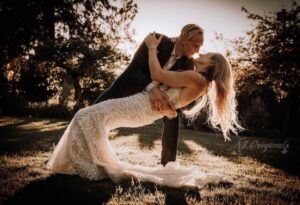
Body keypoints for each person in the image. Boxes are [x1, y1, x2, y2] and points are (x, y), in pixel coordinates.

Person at [47, 33, 243, 188]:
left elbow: (157, 74)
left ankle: (89, 166)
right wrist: (169, 108)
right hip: (144, 105)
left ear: (211, 64)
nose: (202, 52)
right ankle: (91, 161)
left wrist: (151, 48)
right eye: (199, 47)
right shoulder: (200, 81)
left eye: (206, 54)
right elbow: (171, 96)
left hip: (141, 107)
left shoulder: (196, 78)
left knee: (84, 115)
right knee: (91, 117)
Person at [93, 24, 204, 166]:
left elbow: (176, 87)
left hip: (158, 97)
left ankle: (167, 164)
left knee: (173, 116)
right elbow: (135, 69)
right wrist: (152, 88)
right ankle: (88, 145)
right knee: (93, 111)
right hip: (130, 85)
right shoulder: (156, 40)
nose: (197, 51)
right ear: (183, 39)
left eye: (200, 47)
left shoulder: (189, 64)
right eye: (195, 45)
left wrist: (161, 97)